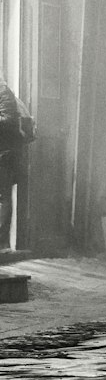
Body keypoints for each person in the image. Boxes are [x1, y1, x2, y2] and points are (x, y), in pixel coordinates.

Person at [0, 76, 30, 251]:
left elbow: (9, 120)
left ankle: (2, 243)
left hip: (5, 153)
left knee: (3, 197)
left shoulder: (3, 91)